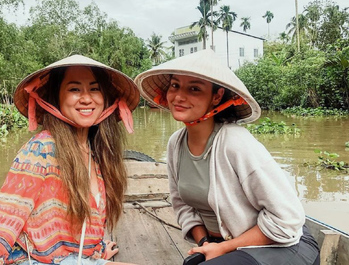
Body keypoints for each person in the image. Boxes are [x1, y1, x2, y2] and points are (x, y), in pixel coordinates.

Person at [134, 49, 320, 265]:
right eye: (175, 85)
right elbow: (182, 205)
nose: (179, 96)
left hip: (286, 247)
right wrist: (205, 243)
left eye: (194, 88)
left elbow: (287, 218)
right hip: (227, 244)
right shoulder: (176, 143)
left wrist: (223, 248)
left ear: (217, 96)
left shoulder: (235, 142)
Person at [0, 55, 139, 265]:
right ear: (56, 98)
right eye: (74, 89)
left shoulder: (95, 151)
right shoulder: (40, 149)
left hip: (74, 259)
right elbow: (1, 222)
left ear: (105, 98)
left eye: (94, 89)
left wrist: (96, 250)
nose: (87, 98)